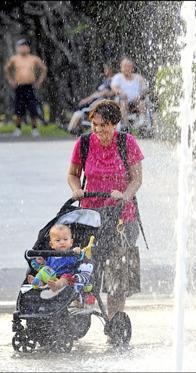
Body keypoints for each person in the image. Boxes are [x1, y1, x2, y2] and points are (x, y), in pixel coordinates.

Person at [67, 99, 144, 320]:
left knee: (116, 277)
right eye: (95, 125)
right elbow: (72, 174)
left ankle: (114, 322)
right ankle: (78, 317)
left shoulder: (126, 142)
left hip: (122, 219)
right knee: (87, 268)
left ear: (114, 124)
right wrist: (76, 189)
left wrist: (125, 195)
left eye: (104, 125)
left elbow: (137, 179)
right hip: (91, 218)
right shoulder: (83, 143)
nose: (99, 130)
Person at [27, 224, 93, 293]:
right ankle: (38, 282)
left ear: (71, 242)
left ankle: (56, 286)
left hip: (67, 276)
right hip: (53, 276)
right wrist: (42, 261)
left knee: (65, 278)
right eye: (58, 240)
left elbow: (80, 258)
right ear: (52, 244)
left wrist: (78, 252)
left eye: (65, 239)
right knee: (44, 271)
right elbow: (48, 266)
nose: (62, 242)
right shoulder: (51, 255)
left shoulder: (72, 253)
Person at [4, 39, 48, 137]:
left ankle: (34, 129)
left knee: (33, 108)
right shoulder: (14, 59)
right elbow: (7, 69)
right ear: (18, 48)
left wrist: (39, 81)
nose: (23, 48)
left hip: (30, 86)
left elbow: (43, 69)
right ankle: (18, 128)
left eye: (25, 46)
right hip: (19, 87)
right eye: (21, 46)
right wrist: (11, 80)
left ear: (28, 48)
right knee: (18, 109)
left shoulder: (33, 59)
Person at [67, 63, 115, 134]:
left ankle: (75, 129)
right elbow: (97, 92)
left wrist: (92, 97)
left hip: (101, 102)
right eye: (104, 69)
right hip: (94, 101)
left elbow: (106, 92)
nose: (105, 70)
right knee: (78, 112)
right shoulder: (104, 80)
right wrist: (87, 99)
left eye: (106, 68)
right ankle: (71, 129)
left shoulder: (113, 80)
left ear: (111, 69)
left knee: (82, 111)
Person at [111, 57, 149, 127]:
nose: (126, 68)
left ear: (132, 68)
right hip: (123, 101)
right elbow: (114, 88)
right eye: (124, 66)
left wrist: (140, 95)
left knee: (142, 100)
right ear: (121, 67)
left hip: (136, 101)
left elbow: (145, 88)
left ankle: (141, 123)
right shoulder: (118, 77)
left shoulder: (138, 77)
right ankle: (126, 125)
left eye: (128, 66)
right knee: (123, 100)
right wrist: (120, 92)